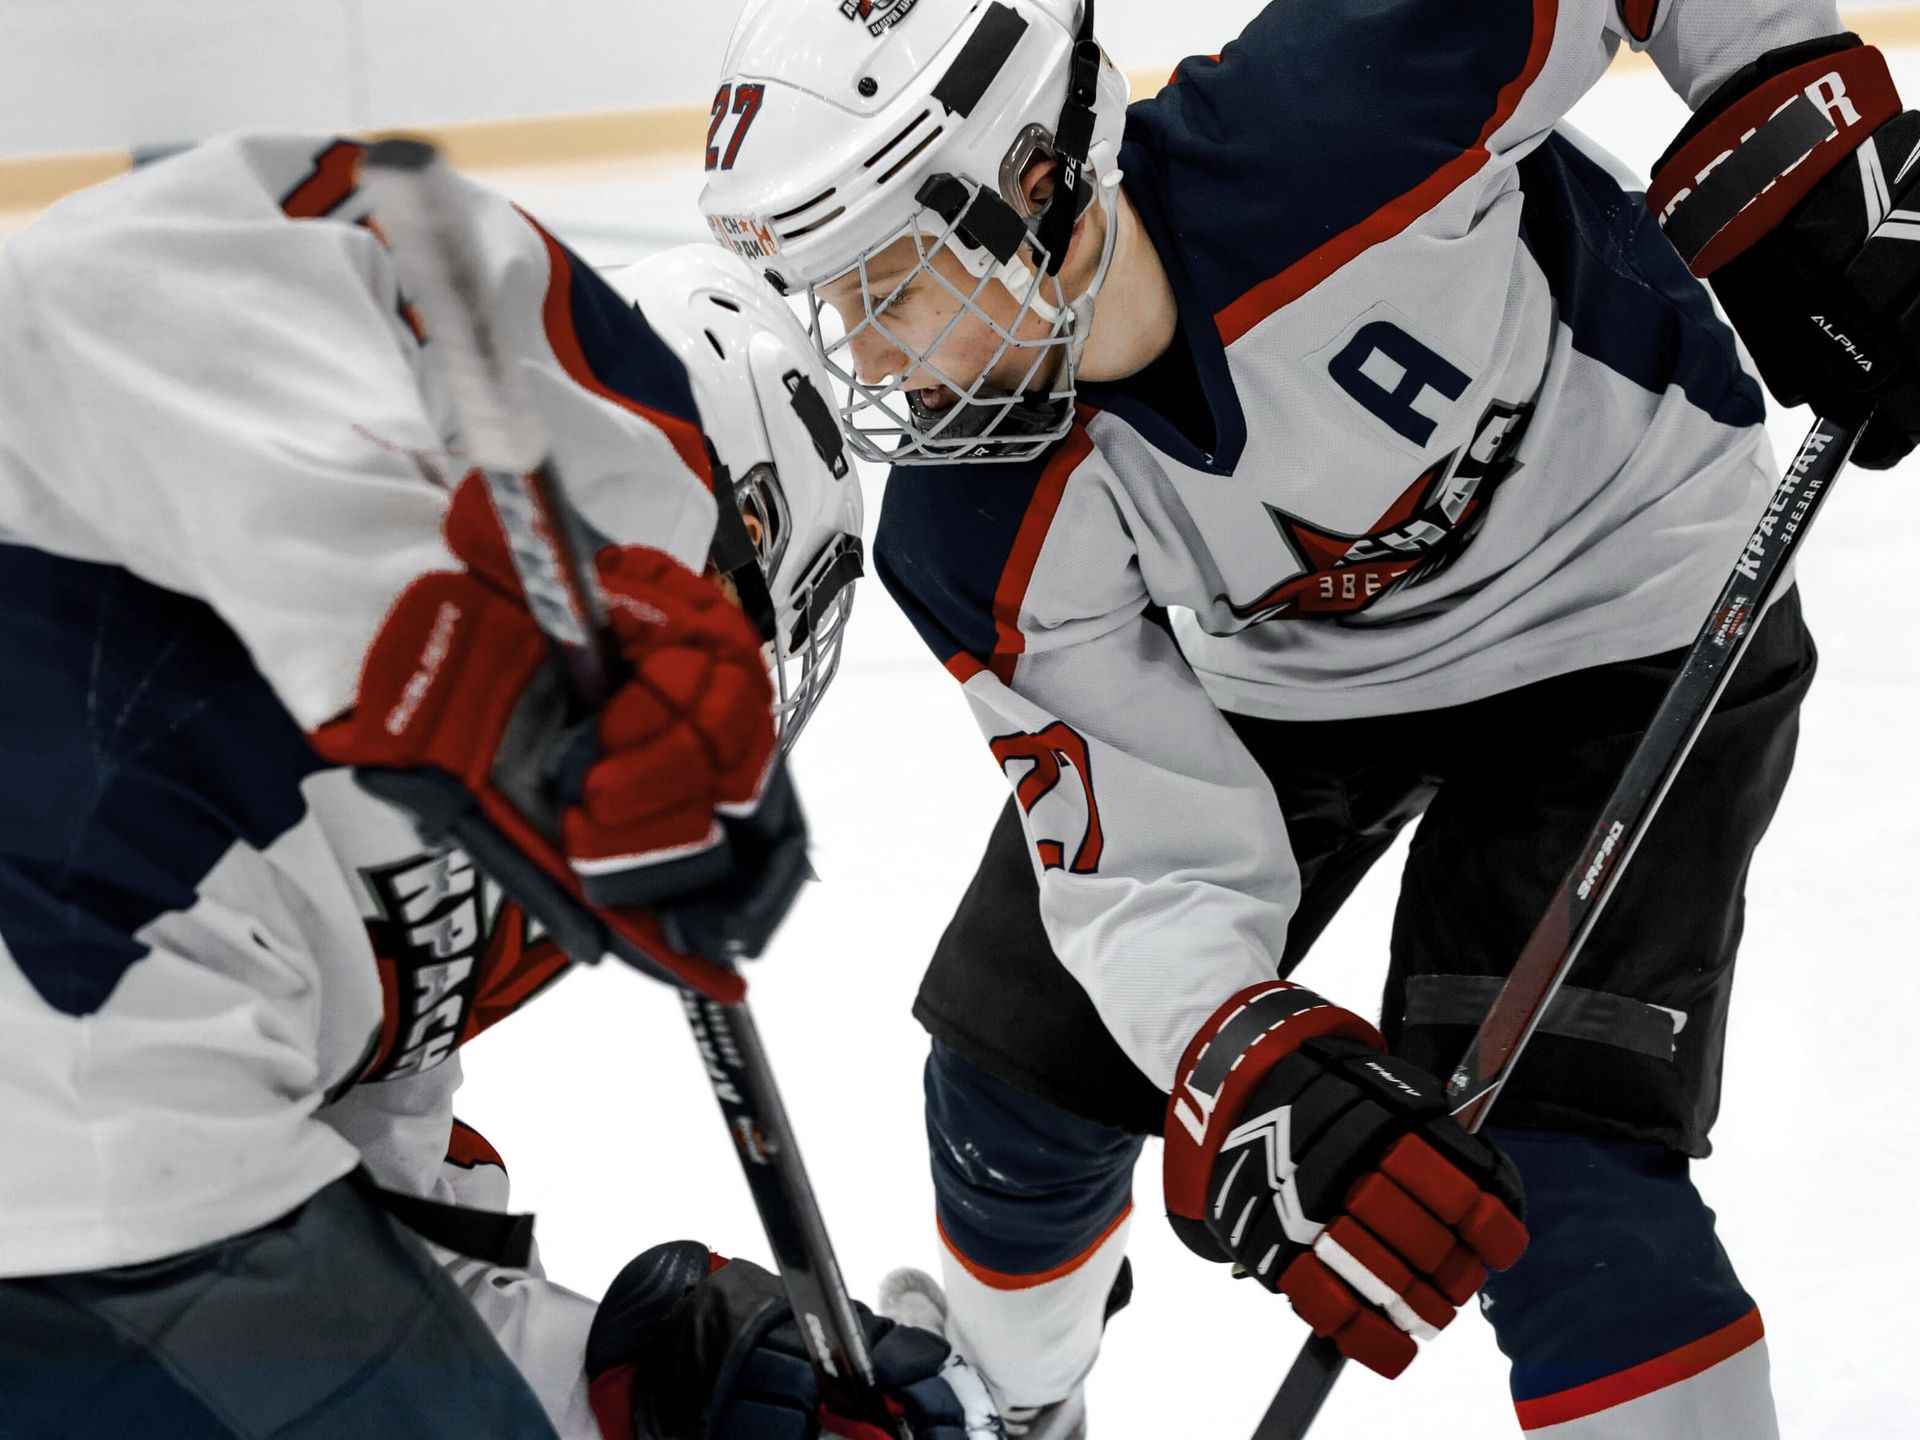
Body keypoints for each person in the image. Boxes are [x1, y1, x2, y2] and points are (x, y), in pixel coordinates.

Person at [697, 1, 1920, 1435]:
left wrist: (1789, 103)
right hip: (1289, 674)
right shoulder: (971, 527)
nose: (874, 360)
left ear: (1036, 186)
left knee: (1553, 1163)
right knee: (1013, 1076)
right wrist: (1253, 1059)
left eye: (888, 290)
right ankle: (1017, 1410)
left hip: (1633, 598)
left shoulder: (1354, 98)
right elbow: (1144, 857)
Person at [0, 136, 991, 1440]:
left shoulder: (544, 840)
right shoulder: (344, 525)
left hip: (139, 1184)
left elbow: (380, 1204)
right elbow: (130, 284)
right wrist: (422, 636)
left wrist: (647, 1378)